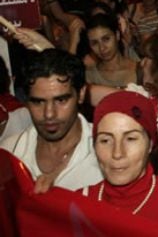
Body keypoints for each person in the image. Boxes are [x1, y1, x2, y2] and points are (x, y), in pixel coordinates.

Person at [81, 91, 158, 233]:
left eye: (131, 139)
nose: (117, 153)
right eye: (105, 140)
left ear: (151, 144)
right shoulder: (77, 203)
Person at [1, 49, 103, 192]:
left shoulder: (107, 153)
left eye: (61, 100)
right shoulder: (9, 152)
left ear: (81, 94)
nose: (49, 114)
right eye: (38, 102)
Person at [84, 13, 139, 88]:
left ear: (117, 35)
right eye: (95, 43)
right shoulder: (89, 77)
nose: (102, 48)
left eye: (106, 39)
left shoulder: (139, 70)